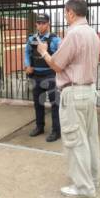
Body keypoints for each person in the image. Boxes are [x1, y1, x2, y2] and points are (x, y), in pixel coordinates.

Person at [37, 0, 100, 198]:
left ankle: (83, 187)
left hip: (73, 92)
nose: (65, 16)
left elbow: (57, 65)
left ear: (71, 12)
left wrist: (44, 52)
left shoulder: (73, 34)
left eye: (66, 13)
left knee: (75, 141)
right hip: (89, 91)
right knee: (90, 138)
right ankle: (92, 179)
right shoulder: (93, 34)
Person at [25, 13, 61, 142]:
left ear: (48, 24)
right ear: (36, 24)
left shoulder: (55, 39)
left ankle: (56, 131)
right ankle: (39, 126)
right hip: (36, 75)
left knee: (55, 104)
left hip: (50, 75)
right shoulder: (31, 39)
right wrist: (28, 65)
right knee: (38, 103)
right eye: (38, 23)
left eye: (43, 23)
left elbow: (61, 56)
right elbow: (27, 53)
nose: (40, 25)